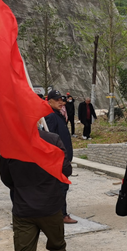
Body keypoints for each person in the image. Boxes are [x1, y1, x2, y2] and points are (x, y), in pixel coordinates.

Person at [44, 90, 77, 224]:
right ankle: (61, 215)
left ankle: (58, 213)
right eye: (57, 100)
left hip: (63, 158)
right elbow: (50, 138)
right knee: (61, 187)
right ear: (49, 101)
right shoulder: (51, 116)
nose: (61, 103)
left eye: (61, 100)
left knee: (62, 187)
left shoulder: (59, 115)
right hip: (57, 159)